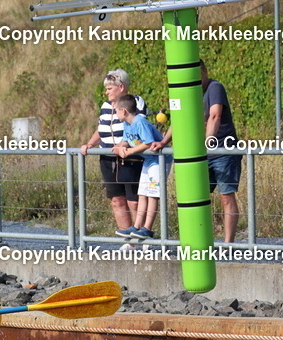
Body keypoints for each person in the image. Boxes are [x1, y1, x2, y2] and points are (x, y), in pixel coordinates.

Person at [151, 60, 240, 242]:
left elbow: (215, 115)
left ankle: (228, 244)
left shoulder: (214, 88)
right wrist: (164, 141)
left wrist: (209, 141)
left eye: (198, 74)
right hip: (201, 154)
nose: (195, 79)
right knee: (196, 197)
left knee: (226, 196)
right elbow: (179, 119)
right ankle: (200, 238)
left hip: (223, 150)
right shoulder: (188, 92)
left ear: (204, 72)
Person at [79, 69, 146, 234]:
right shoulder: (105, 106)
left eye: (109, 88)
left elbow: (137, 126)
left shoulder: (135, 101)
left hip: (129, 158)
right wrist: (89, 144)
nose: (106, 91)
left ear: (121, 87)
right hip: (107, 159)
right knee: (116, 199)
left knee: (134, 201)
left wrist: (124, 145)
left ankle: (140, 236)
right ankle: (128, 241)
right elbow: (101, 129)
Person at [112, 95, 168, 241]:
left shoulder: (140, 122)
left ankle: (147, 228)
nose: (115, 114)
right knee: (142, 192)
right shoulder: (127, 124)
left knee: (152, 193)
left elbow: (149, 143)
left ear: (123, 111)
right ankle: (137, 226)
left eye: (116, 111)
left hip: (158, 160)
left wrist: (129, 151)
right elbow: (126, 140)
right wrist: (121, 147)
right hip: (148, 160)